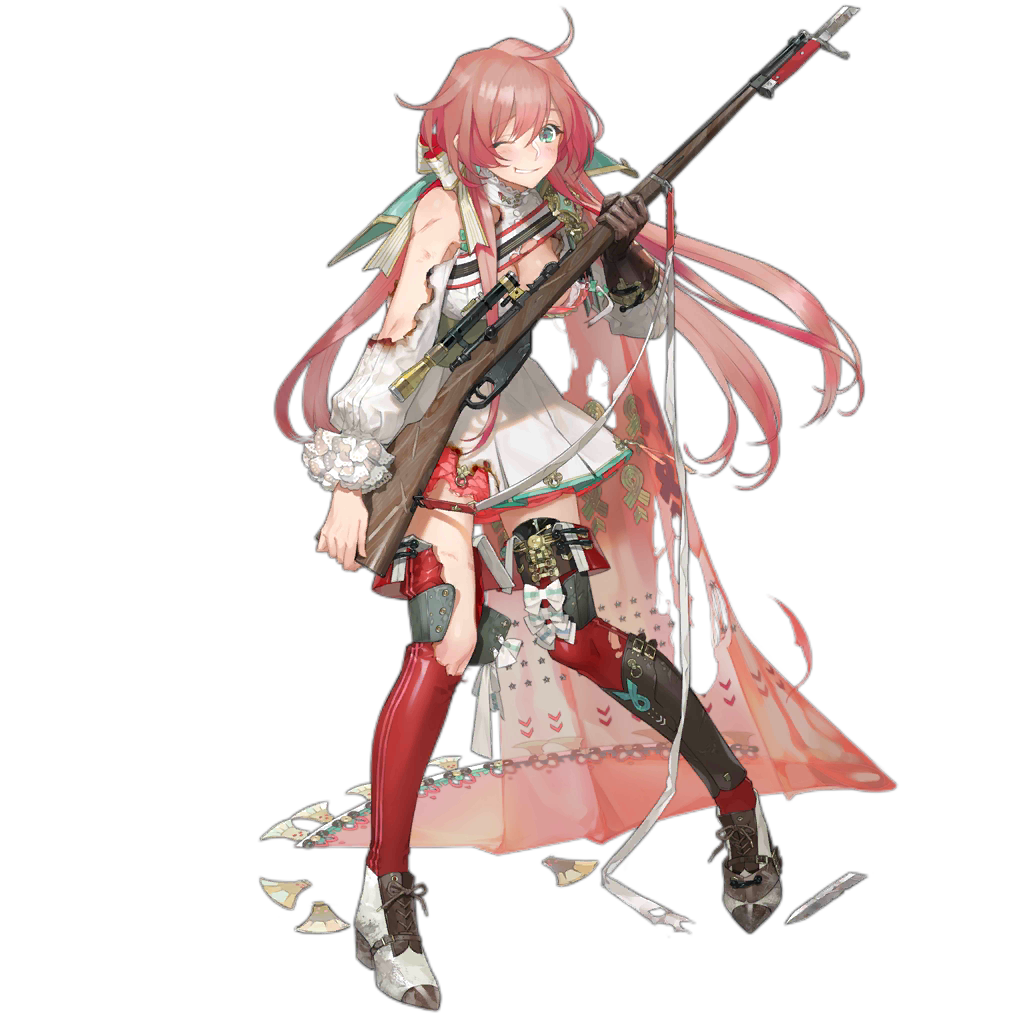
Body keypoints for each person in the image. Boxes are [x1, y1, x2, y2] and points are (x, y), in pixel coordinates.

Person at [276, 20, 890, 1012]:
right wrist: (351, 483)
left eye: (547, 130)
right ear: (470, 134)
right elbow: (395, 348)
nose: (533, 148)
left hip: (526, 445)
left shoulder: (569, 213)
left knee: (577, 638)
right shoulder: (441, 214)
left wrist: (626, 260)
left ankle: (736, 802)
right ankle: (387, 901)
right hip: (436, 454)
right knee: (441, 647)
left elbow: (637, 321)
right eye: (512, 132)